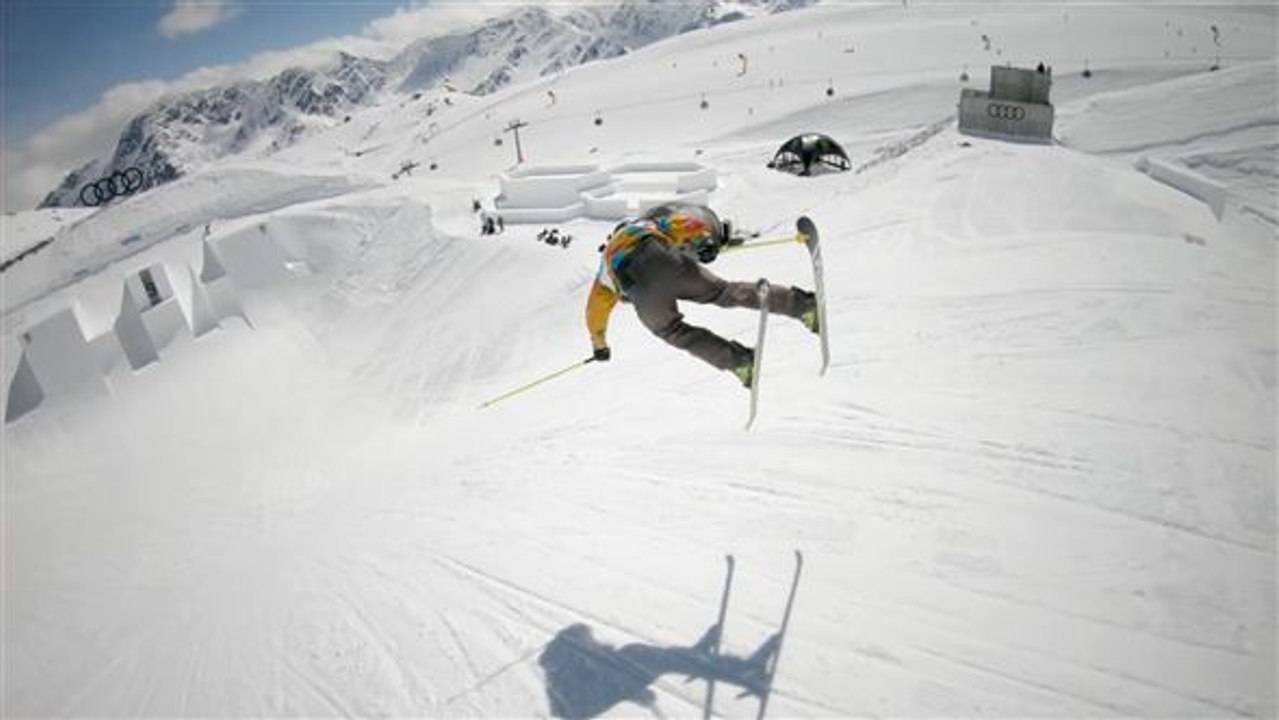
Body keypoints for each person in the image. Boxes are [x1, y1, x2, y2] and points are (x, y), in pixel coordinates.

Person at [584, 203, 818, 388]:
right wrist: (703, 239)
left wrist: (600, 346)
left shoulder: (605, 266)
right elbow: (680, 222)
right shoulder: (643, 225)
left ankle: (741, 363)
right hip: (661, 256)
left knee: (673, 332)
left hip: (636, 287)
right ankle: (801, 305)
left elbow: (594, 312)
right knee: (724, 292)